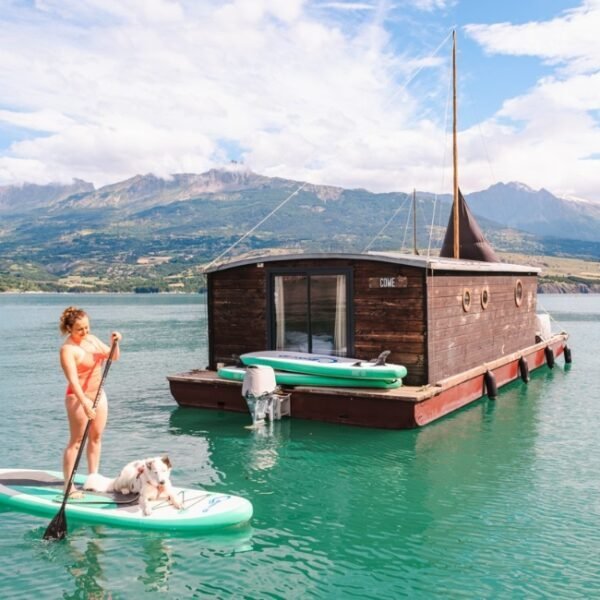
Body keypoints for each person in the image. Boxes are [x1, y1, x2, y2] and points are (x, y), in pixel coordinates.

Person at [59, 306, 122, 497]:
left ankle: (93, 478)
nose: (85, 332)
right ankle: (69, 487)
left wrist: (114, 343)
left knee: (96, 438)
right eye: (80, 329)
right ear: (69, 328)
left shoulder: (92, 340)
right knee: (77, 441)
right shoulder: (68, 350)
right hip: (78, 398)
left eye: (87, 327)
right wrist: (85, 404)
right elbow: (73, 381)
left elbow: (113, 357)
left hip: (99, 395)